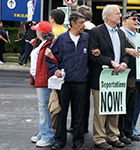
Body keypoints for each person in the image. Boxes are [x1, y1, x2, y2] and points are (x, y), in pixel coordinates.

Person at [89, 5, 134, 149]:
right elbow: (92, 55)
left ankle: (113, 136)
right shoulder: (96, 32)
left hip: (118, 76)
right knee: (101, 109)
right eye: (117, 14)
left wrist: (124, 63)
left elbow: (126, 52)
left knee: (115, 106)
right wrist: (110, 62)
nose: (120, 16)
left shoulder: (120, 33)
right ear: (108, 16)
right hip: (102, 76)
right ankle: (99, 138)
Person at [46, 12, 89, 150]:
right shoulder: (61, 39)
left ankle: (78, 141)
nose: (84, 25)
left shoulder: (87, 38)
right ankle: (60, 140)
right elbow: (50, 58)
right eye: (81, 22)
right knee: (62, 112)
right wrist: (55, 70)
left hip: (81, 82)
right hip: (64, 83)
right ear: (73, 23)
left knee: (79, 113)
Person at [67, 4, 96, 134]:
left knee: (76, 100)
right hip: (91, 69)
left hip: (80, 69)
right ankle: (83, 125)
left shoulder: (81, 30)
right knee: (85, 100)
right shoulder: (95, 29)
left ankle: (75, 125)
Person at [29, 21, 56, 147]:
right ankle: (44, 132)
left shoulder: (49, 45)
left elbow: (56, 60)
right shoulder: (43, 43)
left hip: (43, 79)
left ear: (41, 33)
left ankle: (47, 136)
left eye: (37, 29)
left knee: (43, 108)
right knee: (43, 108)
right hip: (40, 77)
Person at [118, 10, 140, 144]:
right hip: (124, 72)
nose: (136, 21)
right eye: (133, 19)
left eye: (137, 19)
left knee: (131, 104)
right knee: (123, 104)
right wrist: (127, 50)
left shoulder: (137, 35)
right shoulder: (121, 33)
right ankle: (121, 131)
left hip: (137, 74)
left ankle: (128, 130)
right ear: (125, 20)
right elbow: (115, 48)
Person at [47, 8, 67, 137]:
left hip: (53, 73)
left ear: (52, 19)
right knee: (62, 104)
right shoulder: (66, 32)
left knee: (52, 104)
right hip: (64, 73)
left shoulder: (50, 33)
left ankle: (52, 131)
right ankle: (60, 129)